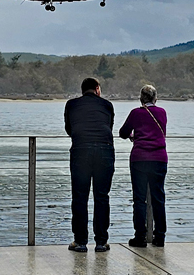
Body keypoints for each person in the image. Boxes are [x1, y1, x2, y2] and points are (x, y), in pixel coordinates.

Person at [65, 77, 115, 252]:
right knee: (101, 196)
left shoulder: (71, 105)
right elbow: (109, 126)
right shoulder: (107, 105)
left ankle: (80, 242)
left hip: (81, 151)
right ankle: (101, 242)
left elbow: (69, 129)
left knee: (80, 197)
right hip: (104, 151)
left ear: (82, 90)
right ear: (97, 89)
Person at [119, 85, 168, 248]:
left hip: (139, 158)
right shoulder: (162, 113)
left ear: (141, 99)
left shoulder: (136, 113)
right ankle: (160, 236)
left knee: (139, 199)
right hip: (159, 158)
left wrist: (134, 136)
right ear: (155, 98)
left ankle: (140, 236)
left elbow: (123, 132)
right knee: (158, 198)